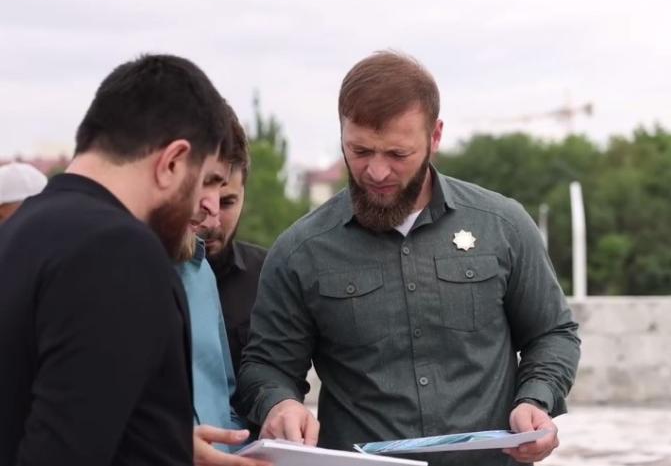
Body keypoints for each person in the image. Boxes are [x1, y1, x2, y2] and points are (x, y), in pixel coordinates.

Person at [238, 51, 581, 466]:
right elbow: (266, 365)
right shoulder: (299, 250)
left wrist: (536, 400)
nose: (377, 172)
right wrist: (279, 404)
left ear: (435, 137)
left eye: (397, 155)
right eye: (360, 151)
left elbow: (552, 333)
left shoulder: (503, 226)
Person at [0, 54, 232, 465]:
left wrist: (157, 438)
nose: (206, 205)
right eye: (202, 180)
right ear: (172, 162)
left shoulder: (22, 228)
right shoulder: (119, 252)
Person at [201, 108, 268, 374]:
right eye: (201, 201)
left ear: (244, 197)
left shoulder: (269, 277)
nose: (213, 220)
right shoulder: (143, 275)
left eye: (227, 202)